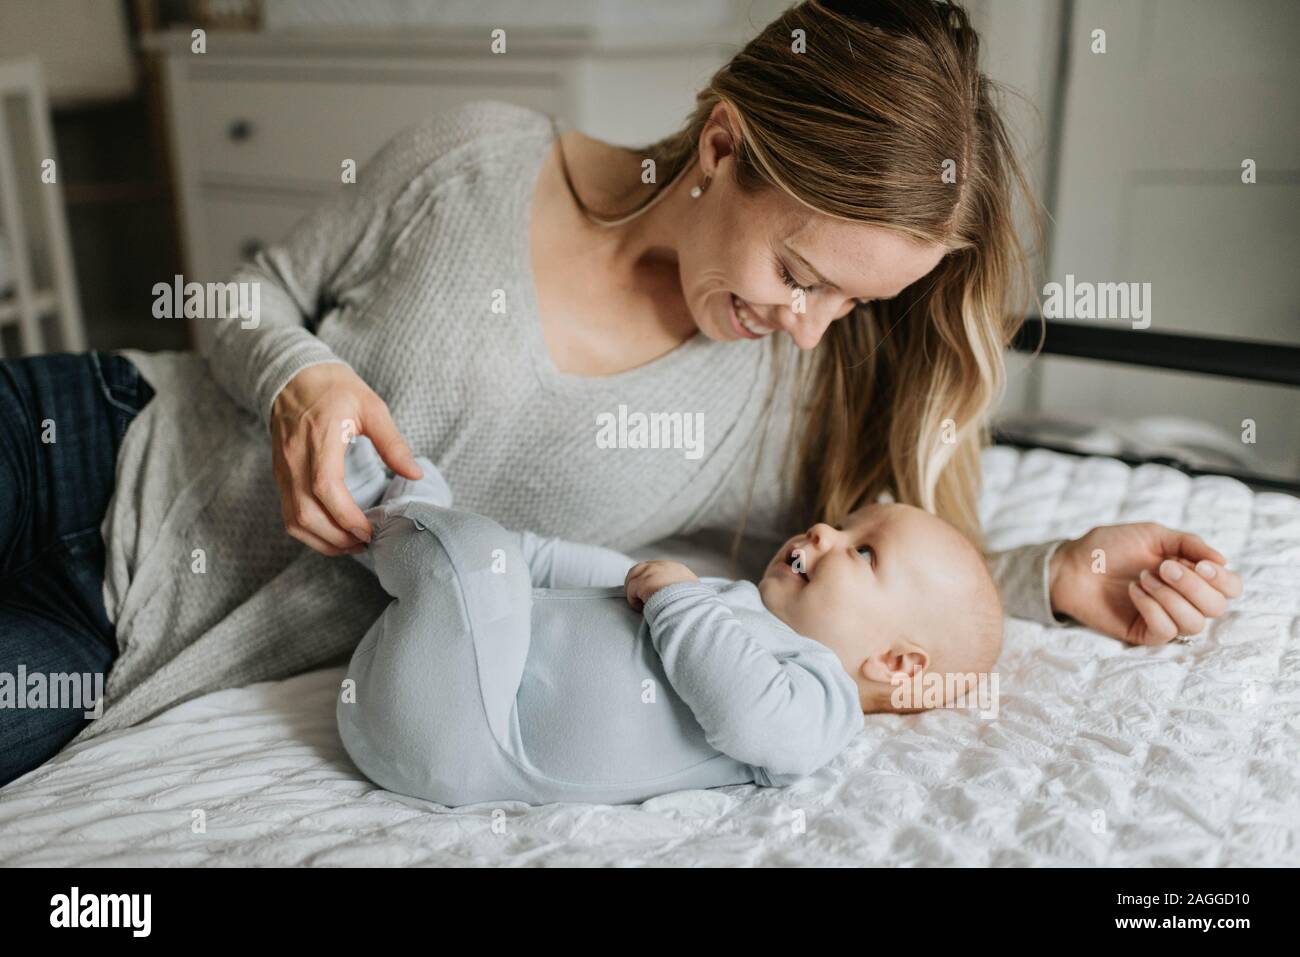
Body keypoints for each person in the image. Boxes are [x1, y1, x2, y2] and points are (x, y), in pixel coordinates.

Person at [0, 0, 1240, 788]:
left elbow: (880, 592)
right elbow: (244, 298)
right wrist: (303, 376)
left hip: (105, 635)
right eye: (799, 275)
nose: (808, 333)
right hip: (93, 430)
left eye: (849, 307)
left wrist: (1058, 573)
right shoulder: (475, 156)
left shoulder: (775, 409)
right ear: (719, 149)